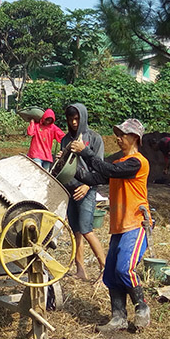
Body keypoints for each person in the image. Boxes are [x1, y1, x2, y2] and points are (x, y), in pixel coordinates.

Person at [69, 118, 152, 332]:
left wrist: (85, 151)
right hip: (119, 225)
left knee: (125, 268)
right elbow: (94, 176)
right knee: (111, 274)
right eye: (118, 134)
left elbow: (108, 170)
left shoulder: (137, 162)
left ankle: (141, 307)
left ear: (135, 138)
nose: (118, 138)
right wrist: (69, 166)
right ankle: (118, 317)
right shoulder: (117, 164)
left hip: (136, 223)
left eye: (123, 134)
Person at [59, 103, 107, 282]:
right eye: (70, 119)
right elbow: (67, 165)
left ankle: (105, 269)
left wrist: (87, 186)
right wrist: (61, 158)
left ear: (83, 118)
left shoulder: (94, 138)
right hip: (70, 189)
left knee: (87, 229)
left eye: (77, 119)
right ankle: (81, 270)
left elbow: (100, 167)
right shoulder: (66, 139)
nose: (73, 122)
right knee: (76, 230)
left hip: (86, 190)